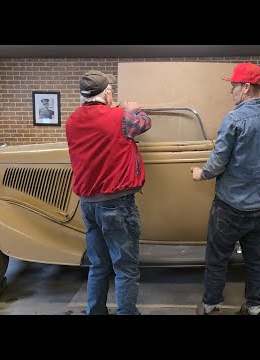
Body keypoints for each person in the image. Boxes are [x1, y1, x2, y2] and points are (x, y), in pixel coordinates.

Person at [190, 62, 260, 315]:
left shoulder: (235, 118)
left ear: (246, 88)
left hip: (230, 205)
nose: (231, 92)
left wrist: (202, 174)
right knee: (256, 259)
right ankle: (257, 306)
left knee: (218, 257)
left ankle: (211, 304)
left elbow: (218, 161)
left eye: (233, 87)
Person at [65, 70, 152, 315]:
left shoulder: (72, 121)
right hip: (117, 204)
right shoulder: (121, 117)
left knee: (98, 266)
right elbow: (144, 123)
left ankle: (96, 312)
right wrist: (134, 108)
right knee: (125, 268)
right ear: (108, 93)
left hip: (88, 205)